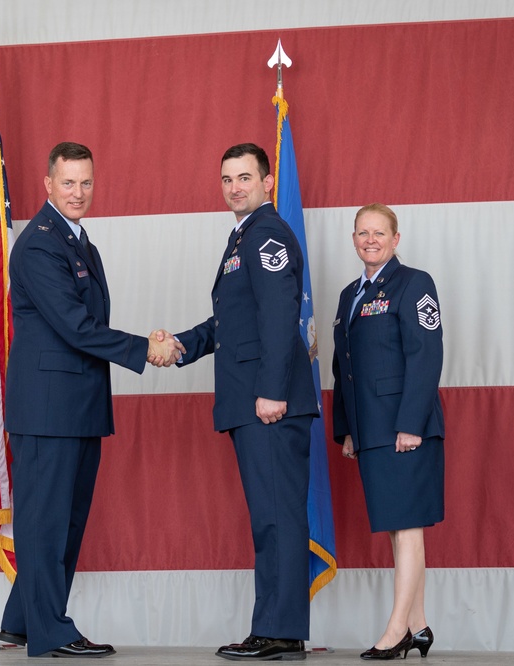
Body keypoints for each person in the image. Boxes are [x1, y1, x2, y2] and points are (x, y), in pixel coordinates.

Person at [0, 141, 183, 658]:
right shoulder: (38, 245)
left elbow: (85, 328)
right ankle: (51, 631)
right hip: (48, 409)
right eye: (68, 182)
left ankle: (21, 620)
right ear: (47, 185)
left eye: (86, 183)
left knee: (66, 520)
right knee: (47, 522)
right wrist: (146, 349)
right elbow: (77, 327)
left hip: (78, 406)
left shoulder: (81, 243)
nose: (78, 192)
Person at [172, 143, 320, 662]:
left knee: (277, 516)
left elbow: (281, 314)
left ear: (268, 181)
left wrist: (273, 391)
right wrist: (182, 345)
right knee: (268, 517)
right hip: (253, 399)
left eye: (245, 177)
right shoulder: (244, 237)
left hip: (269, 401)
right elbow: (233, 322)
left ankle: (279, 630)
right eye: (227, 178)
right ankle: (274, 625)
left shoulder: (266, 234)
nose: (235, 187)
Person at [330, 203, 444, 660]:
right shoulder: (348, 295)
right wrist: (348, 430)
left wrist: (411, 425)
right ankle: (419, 625)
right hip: (371, 429)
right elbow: (345, 369)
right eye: (362, 233)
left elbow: (426, 354)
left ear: (396, 239)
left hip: (404, 427)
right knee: (398, 530)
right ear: (354, 239)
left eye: (379, 232)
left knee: (408, 527)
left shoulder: (415, 284)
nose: (370, 240)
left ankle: (396, 630)